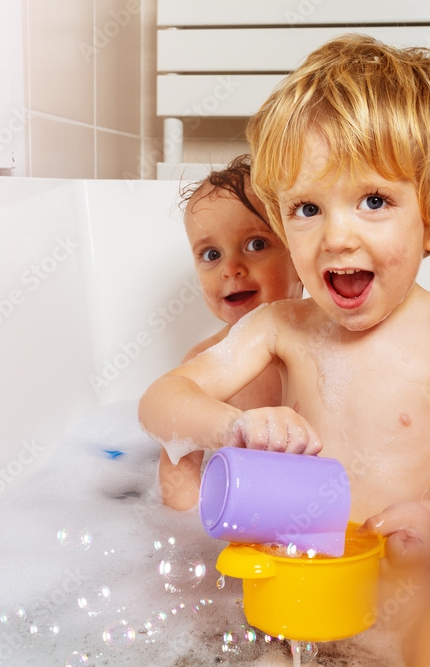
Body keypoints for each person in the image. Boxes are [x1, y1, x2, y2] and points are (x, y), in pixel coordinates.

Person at [139, 35, 430, 665]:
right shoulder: (278, 328)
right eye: (308, 208)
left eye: (373, 201)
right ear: (282, 223)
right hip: (291, 608)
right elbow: (160, 403)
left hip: (411, 604)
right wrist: (231, 424)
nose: (338, 236)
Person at [158, 155, 303, 511]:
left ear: (300, 254)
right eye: (211, 254)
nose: (231, 269)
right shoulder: (204, 363)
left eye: (256, 244)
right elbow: (179, 467)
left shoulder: (324, 342)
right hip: (240, 522)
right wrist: (192, 528)